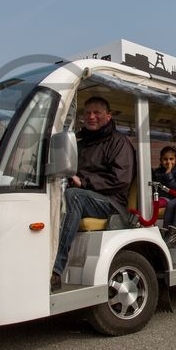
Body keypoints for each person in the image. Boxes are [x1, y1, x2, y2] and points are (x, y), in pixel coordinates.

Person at [51, 97, 136, 291]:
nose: (91, 116)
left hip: (111, 202)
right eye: (87, 113)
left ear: (108, 116)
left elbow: (121, 179)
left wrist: (85, 182)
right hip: (84, 196)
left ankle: (55, 270)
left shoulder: (119, 142)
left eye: (97, 112)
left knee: (74, 195)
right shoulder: (79, 144)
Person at [152, 146, 176, 210]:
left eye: (171, 159)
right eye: (165, 159)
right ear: (161, 160)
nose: (168, 162)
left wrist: (168, 173)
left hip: (171, 198)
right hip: (158, 197)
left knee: (154, 205)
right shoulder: (158, 172)